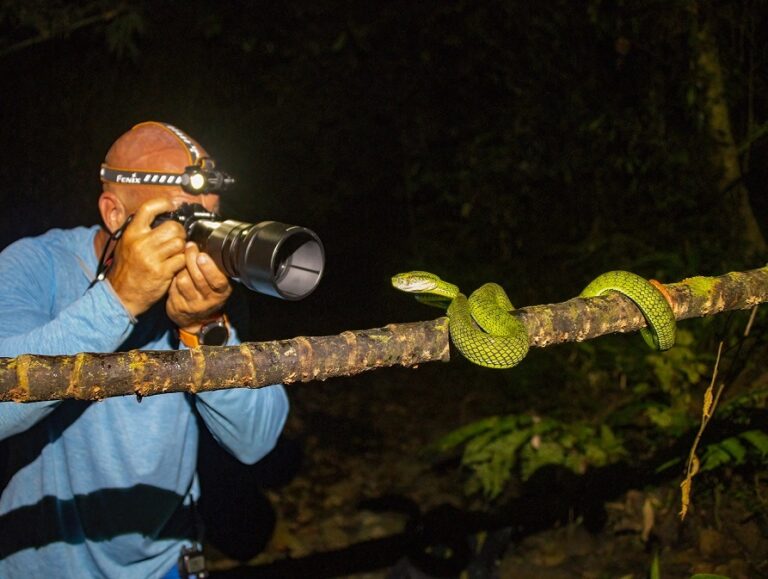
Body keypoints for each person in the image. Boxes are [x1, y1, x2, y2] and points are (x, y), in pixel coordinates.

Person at [0, 121, 289, 578]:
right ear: (115, 214)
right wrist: (118, 301)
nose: (196, 239)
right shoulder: (36, 265)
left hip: (168, 565)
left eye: (209, 218)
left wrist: (204, 327)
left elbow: (256, 440)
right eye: (181, 218)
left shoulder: (205, 292)